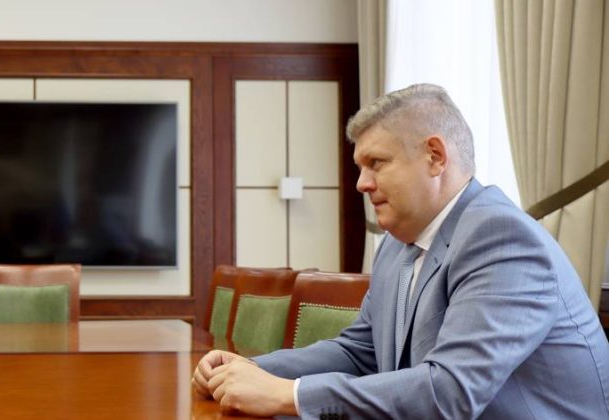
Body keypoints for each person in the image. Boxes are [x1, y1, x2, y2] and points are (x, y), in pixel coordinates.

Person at [193, 83, 609, 418]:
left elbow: (450, 392)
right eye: (360, 167)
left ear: (435, 156)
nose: (361, 183)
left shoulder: (500, 237)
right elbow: (360, 353)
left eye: (376, 163)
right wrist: (249, 370)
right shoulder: (397, 245)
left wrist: (291, 395)